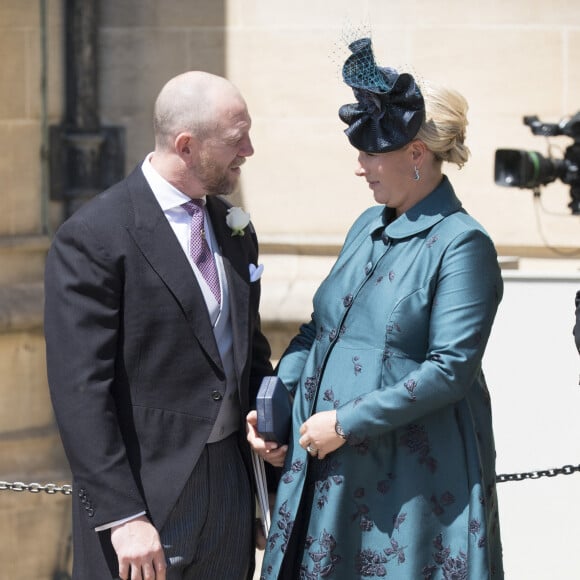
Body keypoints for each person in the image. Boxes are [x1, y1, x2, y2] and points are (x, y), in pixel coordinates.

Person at [249, 38, 504, 579]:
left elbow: (450, 370)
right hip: (329, 465)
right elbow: (320, 328)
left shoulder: (463, 244)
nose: (360, 168)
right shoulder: (367, 225)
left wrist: (345, 422)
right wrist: (280, 405)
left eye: (370, 154)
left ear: (416, 154)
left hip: (410, 483)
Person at [44, 71, 273, 580]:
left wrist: (267, 479)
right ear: (186, 145)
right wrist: (123, 515)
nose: (250, 150)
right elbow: (81, 389)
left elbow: (248, 354)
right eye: (237, 139)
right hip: (146, 496)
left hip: (230, 491)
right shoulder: (94, 236)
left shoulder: (235, 228)